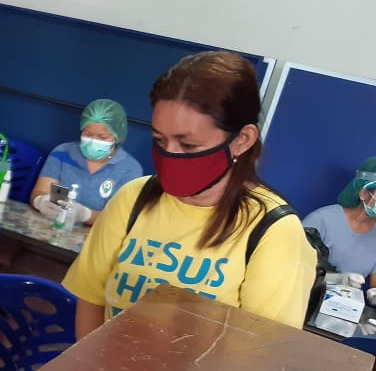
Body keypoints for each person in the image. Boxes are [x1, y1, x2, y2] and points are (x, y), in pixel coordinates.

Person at [63, 51, 316, 337]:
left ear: (242, 140)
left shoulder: (273, 230)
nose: (170, 155)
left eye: (189, 145)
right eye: (160, 140)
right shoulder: (133, 198)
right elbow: (91, 298)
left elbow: (262, 349)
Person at [31, 99, 142, 225]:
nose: (93, 141)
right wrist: (40, 201)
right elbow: (40, 191)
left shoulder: (130, 169)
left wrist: (85, 215)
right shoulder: (62, 152)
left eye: (102, 137)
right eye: (88, 134)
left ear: (117, 136)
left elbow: (118, 218)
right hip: (51, 226)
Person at [302, 159, 376, 285]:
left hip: (351, 298)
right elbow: (293, 268)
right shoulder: (321, 221)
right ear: (363, 193)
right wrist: (335, 279)